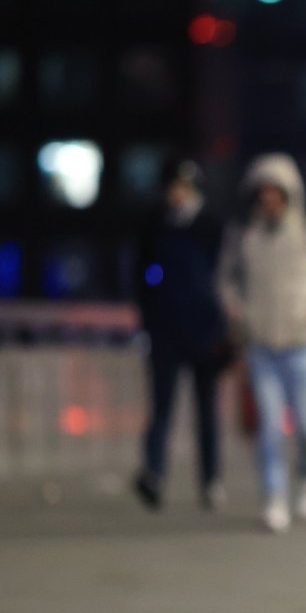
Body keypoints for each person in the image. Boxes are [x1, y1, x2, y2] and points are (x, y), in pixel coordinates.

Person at [218, 153, 306, 533]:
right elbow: (226, 280)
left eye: (275, 191)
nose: (269, 199)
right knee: (268, 427)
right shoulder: (245, 234)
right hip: (261, 344)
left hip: (305, 342)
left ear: (289, 192)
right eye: (262, 192)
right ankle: (274, 496)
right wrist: (238, 311)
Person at [133, 157, 232, 511]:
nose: (178, 194)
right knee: (161, 408)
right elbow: (142, 278)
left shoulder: (212, 224)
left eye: (184, 187)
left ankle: (211, 480)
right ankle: (154, 475)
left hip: (206, 331)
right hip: (165, 333)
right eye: (173, 186)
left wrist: (226, 330)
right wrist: (147, 321)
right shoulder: (154, 224)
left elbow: (225, 279)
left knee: (207, 412)